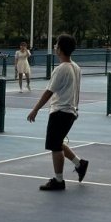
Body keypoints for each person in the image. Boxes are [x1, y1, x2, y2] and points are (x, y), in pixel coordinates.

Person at [27, 33, 88, 191]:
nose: (54, 46)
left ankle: (58, 180)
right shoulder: (76, 67)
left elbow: (48, 91)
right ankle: (79, 163)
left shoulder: (61, 69)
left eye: (56, 44)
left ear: (60, 49)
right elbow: (77, 91)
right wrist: (76, 107)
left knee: (55, 146)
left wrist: (35, 110)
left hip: (60, 111)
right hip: (70, 111)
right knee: (57, 142)